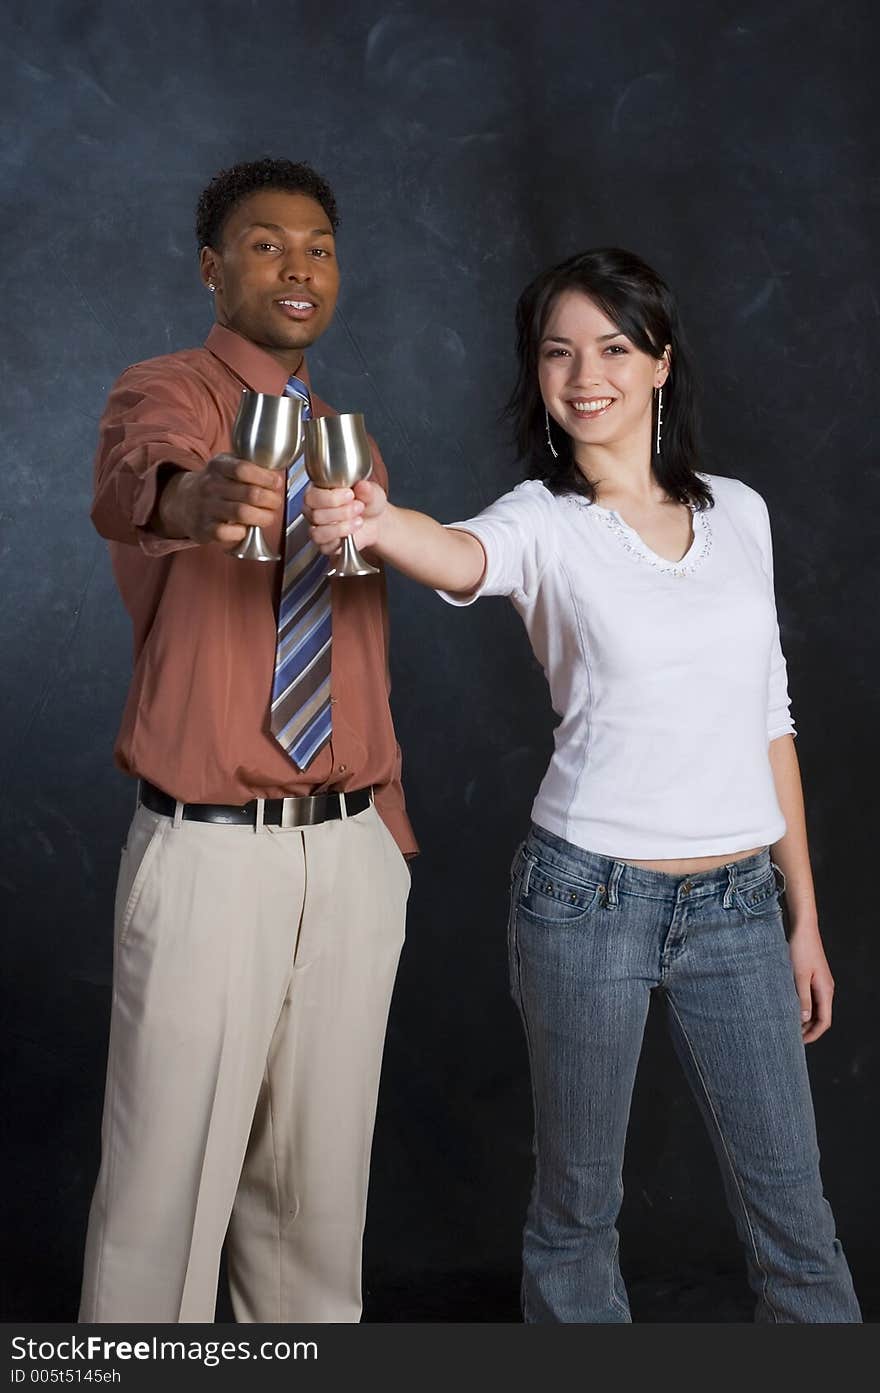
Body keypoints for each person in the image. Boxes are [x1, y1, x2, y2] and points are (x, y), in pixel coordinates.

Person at [303, 247, 861, 1323]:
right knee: (575, 1211)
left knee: (796, 1215)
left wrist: (804, 918)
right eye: (557, 352)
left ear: (659, 361)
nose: (584, 373)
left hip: (741, 906)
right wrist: (376, 523)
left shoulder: (742, 513)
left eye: (611, 346)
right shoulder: (541, 522)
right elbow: (460, 553)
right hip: (584, 901)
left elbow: (769, 720)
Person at [80, 158, 415, 1324]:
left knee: (317, 1213)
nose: (297, 266)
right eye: (265, 245)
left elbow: (360, 648)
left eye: (318, 246)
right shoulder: (166, 393)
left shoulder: (352, 450)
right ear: (213, 267)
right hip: (214, 855)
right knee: (163, 1200)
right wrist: (206, 497)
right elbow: (143, 483)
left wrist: (388, 835)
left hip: (352, 851)